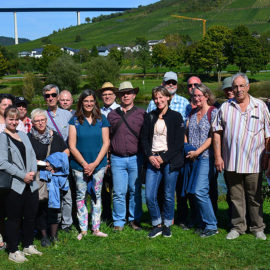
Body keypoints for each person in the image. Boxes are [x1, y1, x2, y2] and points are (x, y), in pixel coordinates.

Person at [212, 73, 270, 240]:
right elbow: (216, 132)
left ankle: (257, 227)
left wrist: (267, 155)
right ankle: (238, 227)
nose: (238, 89)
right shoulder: (225, 107)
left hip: (254, 161)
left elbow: (268, 134)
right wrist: (218, 156)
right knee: (236, 196)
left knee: (254, 197)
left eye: (241, 86)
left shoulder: (260, 106)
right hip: (231, 160)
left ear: (248, 87)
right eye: (235, 87)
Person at [141, 86, 185, 238]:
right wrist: (150, 156)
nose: (158, 100)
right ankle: (156, 224)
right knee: (149, 195)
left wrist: (164, 158)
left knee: (168, 194)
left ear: (168, 98)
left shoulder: (176, 116)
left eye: (161, 97)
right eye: (155, 98)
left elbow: (178, 144)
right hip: (153, 159)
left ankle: (167, 224)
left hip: (170, 160)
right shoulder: (150, 116)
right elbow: (144, 139)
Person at [0, 106, 42, 263]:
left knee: (30, 216)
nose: (14, 122)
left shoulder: (23, 135)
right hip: (15, 185)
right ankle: (13, 249)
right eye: (11, 119)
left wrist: (31, 173)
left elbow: (32, 155)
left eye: (16, 119)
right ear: (5, 119)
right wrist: (22, 175)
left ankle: (28, 244)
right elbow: (2, 162)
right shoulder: (2, 138)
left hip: (30, 183)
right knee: (14, 218)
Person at [69, 89, 110, 238]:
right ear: (81, 103)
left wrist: (94, 164)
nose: (89, 103)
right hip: (79, 167)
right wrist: (85, 164)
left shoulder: (102, 119)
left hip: (98, 166)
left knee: (96, 195)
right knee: (80, 196)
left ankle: (96, 228)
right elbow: (72, 145)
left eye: (91, 101)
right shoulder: (74, 120)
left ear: (95, 102)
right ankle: (83, 229)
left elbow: (106, 143)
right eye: (86, 101)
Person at [28, 108, 69, 247]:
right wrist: (44, 164)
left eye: (42, 120)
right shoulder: (29, 138)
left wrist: (55, 164)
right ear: (32, 122)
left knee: (54, 205)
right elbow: (29, 158)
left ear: (46, 120)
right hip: (39, 176)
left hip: (54, 176)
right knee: (41, 205)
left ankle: (54, 234)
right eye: (37, 121)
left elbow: (66, 151)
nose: (40, 123)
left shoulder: (55, 136)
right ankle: (44, 235)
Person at [107, 81, 145, 231]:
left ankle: (134, 220)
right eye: (123, 93)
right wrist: (108, 158)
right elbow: (107, 138)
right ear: (119, 96)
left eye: (129, 92)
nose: (126, 95)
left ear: (134, 95)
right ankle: (118, 222)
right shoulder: (112, 115)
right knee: (118, 192)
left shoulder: (142, 114)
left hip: (136, 157)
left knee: (135, 191)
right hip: (117, 158)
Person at [185, 83, 218, 237]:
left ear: (206, 96)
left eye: (199, 95)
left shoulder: (213, 112)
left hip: (206, 158)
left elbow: (213, 137)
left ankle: (211, 225)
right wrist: (186, 146)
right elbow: (185, 131)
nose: (196, 98)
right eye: (194, 96)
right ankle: (201, 222)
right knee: (192, 191)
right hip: (192, 158)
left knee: (200, 191)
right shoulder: (192, 113)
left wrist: (197, 151)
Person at [43, 84, 73, 232]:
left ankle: (67, 224)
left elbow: (73, 138)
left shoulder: (68, 115)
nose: (50, 98)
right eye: (47, 96)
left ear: (58, 97)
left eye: (53, 95)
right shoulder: (41, 116)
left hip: (66, 158)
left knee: (67, 194)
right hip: (49, 163)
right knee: (52, 195)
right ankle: (55, 222)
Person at [98, 82, 120, 221]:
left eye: (109, 94)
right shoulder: (98, 112)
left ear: (115, 95)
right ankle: (106, 214)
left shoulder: (119, 110)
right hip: (102, 153)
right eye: (104, 95)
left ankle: (120, 216)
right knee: (104, 187)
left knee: (118, 188)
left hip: (117, 151)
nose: (107, 97)